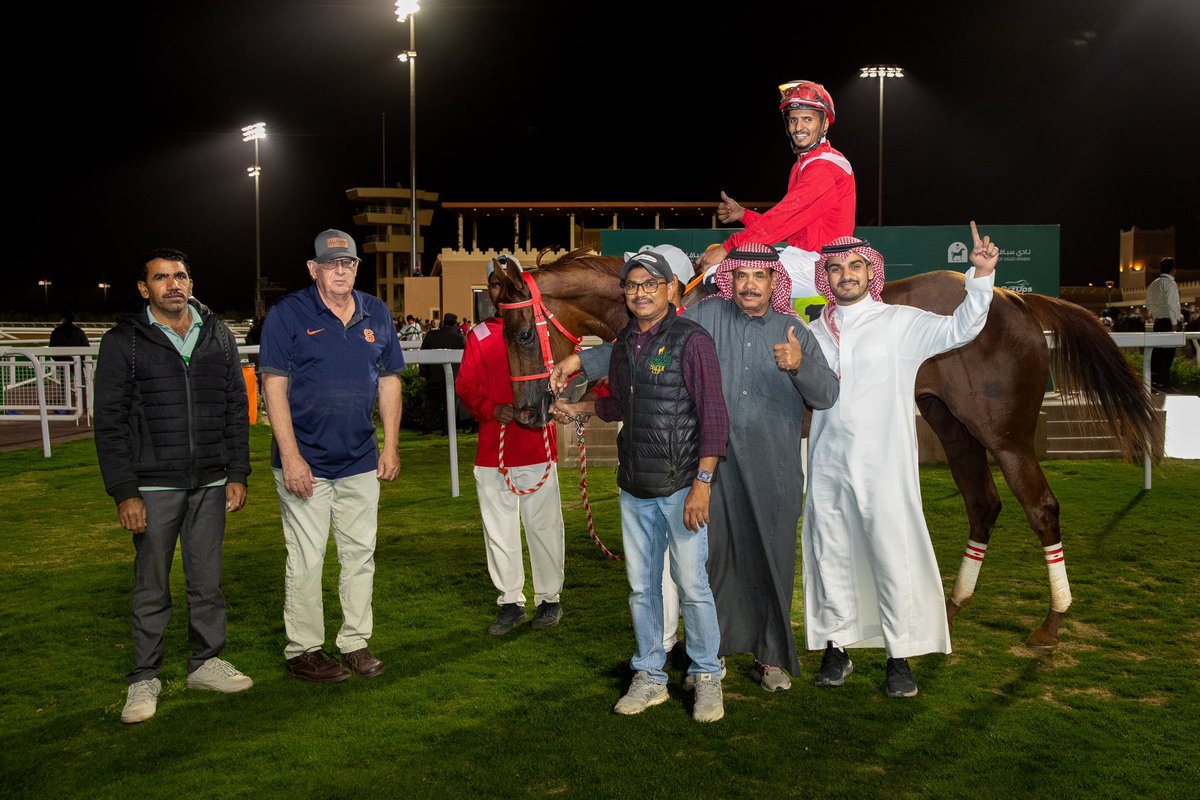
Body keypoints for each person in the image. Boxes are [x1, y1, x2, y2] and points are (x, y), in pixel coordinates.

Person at [553, 243, 840, 692]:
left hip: (773, 468)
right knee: (713, 561)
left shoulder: (794, 331)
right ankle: (714, 655)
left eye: (759, 276)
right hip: (711, 466)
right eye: (741, 276)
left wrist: (800, 366)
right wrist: (582, 361)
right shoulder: (704, 317)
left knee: (772, 559)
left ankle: (770, 658)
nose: (749, 284)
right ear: (731, 281)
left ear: (772, 283)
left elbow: (826, 396)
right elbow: (643, 346)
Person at [802, 224, 998, 699]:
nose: (845, 275)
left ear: (871, 272)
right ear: (826, 277)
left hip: (884, 464)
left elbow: (962, 327)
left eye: (854, 266)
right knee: (830, 554)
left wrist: (982, 275)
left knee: (893, 553)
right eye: (836, 268)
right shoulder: (811, 333)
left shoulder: (900, 322)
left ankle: (899, 655)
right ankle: (837, 646)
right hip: (826, 462)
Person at [553, 249, 729, 723]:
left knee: (693, 586)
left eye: (650, 284)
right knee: (641, 589)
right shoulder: (627, 342)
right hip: (634, 488)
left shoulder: (693, 341)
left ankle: (707, 674)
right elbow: (620, 407)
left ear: (671, 289)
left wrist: (703, 484)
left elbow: (714, 418)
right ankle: (650, 675)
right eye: (632, 286)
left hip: (681, 487)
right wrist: (582, 409)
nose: (640, 293)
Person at [94, 248, 253, 724]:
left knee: (206, 583)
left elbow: (235, 409)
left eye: (180, 275)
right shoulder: (125, 341)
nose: (173, 284)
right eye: (161, 278)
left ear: (191, 281)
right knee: (151, 588)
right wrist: (125, 490)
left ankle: (205, 663)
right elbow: (109, 421)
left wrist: (238, 473)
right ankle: (145, 676)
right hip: (152, 486)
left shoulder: (218, 333)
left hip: (210, 480)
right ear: (145, 290)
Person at [259, 229, 405, 683]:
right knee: (306, 558)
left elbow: (389, 380)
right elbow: (273, 385)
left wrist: (392, 445)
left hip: (360, 458)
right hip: (306, 463)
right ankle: (303, 649)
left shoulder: (375, 311)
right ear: (313, 268)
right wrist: (292, 456)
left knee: (360, 555)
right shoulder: (288, 314)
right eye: (330, 263)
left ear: (356, 268)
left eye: (348, 264)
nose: (340, 271)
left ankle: (355, 642)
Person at [456, 255, 566, 636]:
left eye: (507, 284)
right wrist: (491, 409)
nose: (499, 291)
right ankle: (510, 601)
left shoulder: (541, 328)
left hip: (537, 446)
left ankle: (549, 598)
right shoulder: (479, 335)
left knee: (544, 528)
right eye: (493, 284)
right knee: (498, 531)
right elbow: (465, 387)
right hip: (493, 452)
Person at [695, 80, 856, 319]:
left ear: (823, 126)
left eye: (807, 119)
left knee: (722, 272)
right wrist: (744, 215)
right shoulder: (804, 165)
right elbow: (790, 228)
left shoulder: (825, 166)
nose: (798, 126)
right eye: (793, 119)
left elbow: (781, 220)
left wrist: (727, 247)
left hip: (823, 265)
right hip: (804, 258)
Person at [419, 313, 466, 434]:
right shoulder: (459, 338)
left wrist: (423, 373)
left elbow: (423, 353)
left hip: (434, 375)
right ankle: (448, 429)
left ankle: (428, 428)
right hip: (453, 376)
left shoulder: (432, 335)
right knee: (450, 405)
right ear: (455, 324)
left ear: (443, 322)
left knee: (432, 403)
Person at [1145, 257, 1182, 392]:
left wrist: (1157, 314)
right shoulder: (1170, 284)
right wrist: (1174, 324)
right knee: (1167, 354)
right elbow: (1172, 305)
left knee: (1158, 353)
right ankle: (1165, 385)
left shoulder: (1153, 284)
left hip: (1158, 322)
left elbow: (1148, 303)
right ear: (1173, 269)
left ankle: (1155, 384)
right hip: (1168, 322)